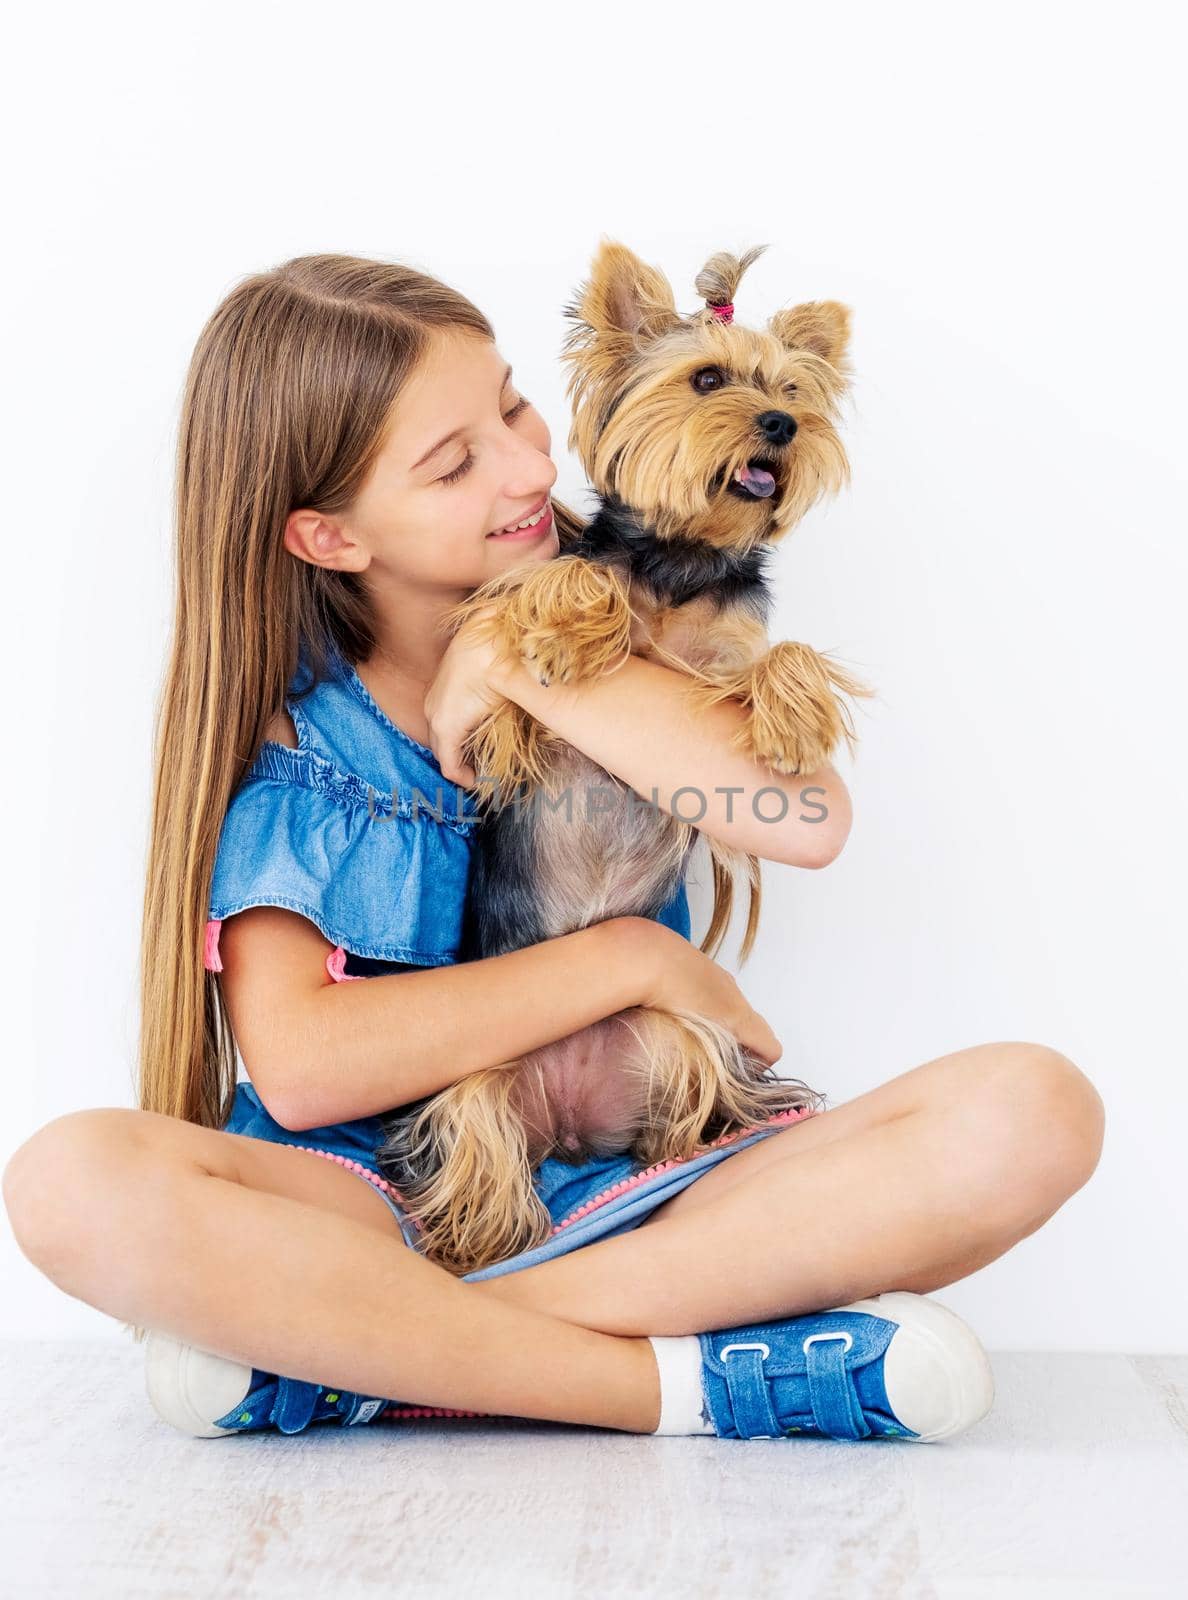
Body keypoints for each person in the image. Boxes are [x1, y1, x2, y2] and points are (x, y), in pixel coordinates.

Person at [2, 254, 1104, 1443]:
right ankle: (684, 1384)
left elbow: (803, 820)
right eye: (453, 460)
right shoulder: (310, 735)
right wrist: (630, 956)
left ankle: (352, 1347)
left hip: (640, 1180)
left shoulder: (620, 625)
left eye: (517, 409)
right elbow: (309, 1072)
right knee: (70, 1179)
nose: (532, 465)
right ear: (328, 536)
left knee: (1034, 1110)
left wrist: (519, 659)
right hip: (384, 1192)